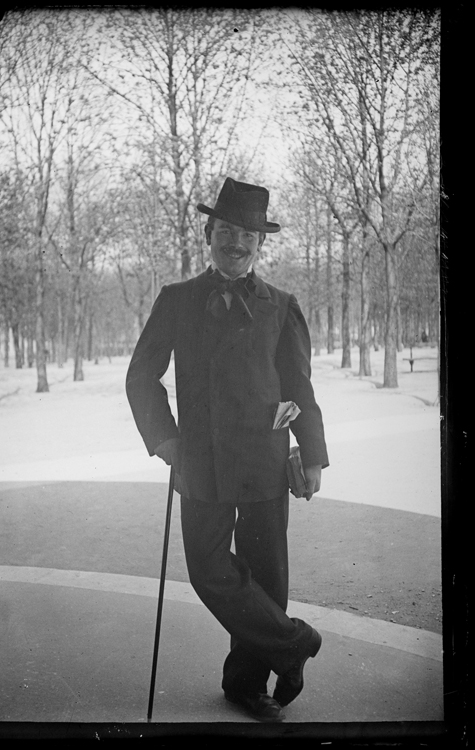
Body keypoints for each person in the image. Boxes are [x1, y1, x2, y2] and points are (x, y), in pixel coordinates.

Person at [126, 177, 329, 723]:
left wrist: (310, 454)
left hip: (265, 457)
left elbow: (300, 388)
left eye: (248, 234)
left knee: (266, 574)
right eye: (226, 230)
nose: (236, 242)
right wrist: (165, 438)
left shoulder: (282, 306)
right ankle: (292, 643)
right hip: (201, 460)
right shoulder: (177, 299)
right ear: (208, 233)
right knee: (208, 568)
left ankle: (247, 683)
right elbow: (142, 375)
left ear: (260, 243)